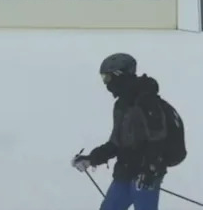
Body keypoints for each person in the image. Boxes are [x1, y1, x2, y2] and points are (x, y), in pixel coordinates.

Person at [72, 53, 184, 210]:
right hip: (125, 169)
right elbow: (116, 143)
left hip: (145, 174)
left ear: (119, 75)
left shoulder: (147, 101)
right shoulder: (121, 105)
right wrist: (92, 158)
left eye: (107, 78)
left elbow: (158, 139)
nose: (106, 84)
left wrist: (150, 170)